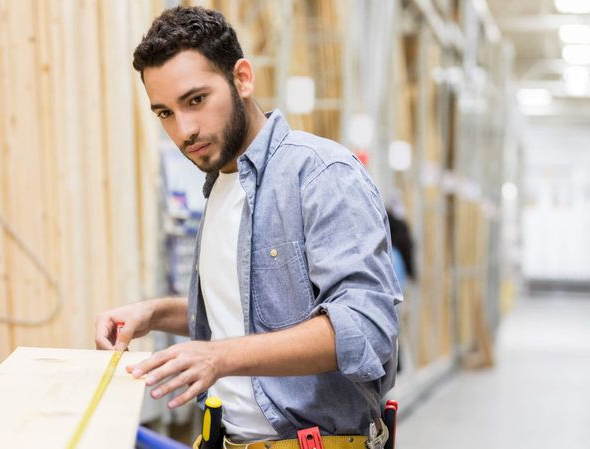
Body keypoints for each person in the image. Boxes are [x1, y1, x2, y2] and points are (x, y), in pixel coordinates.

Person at [95, 6, 401, 448]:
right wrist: (155, 314)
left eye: (195, 100)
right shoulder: (220, 183)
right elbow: (250, 312)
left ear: (242, 78)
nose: (184, 129)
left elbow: (365, 327)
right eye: (164, 113)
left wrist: (218, 357)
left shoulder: (320, 174)